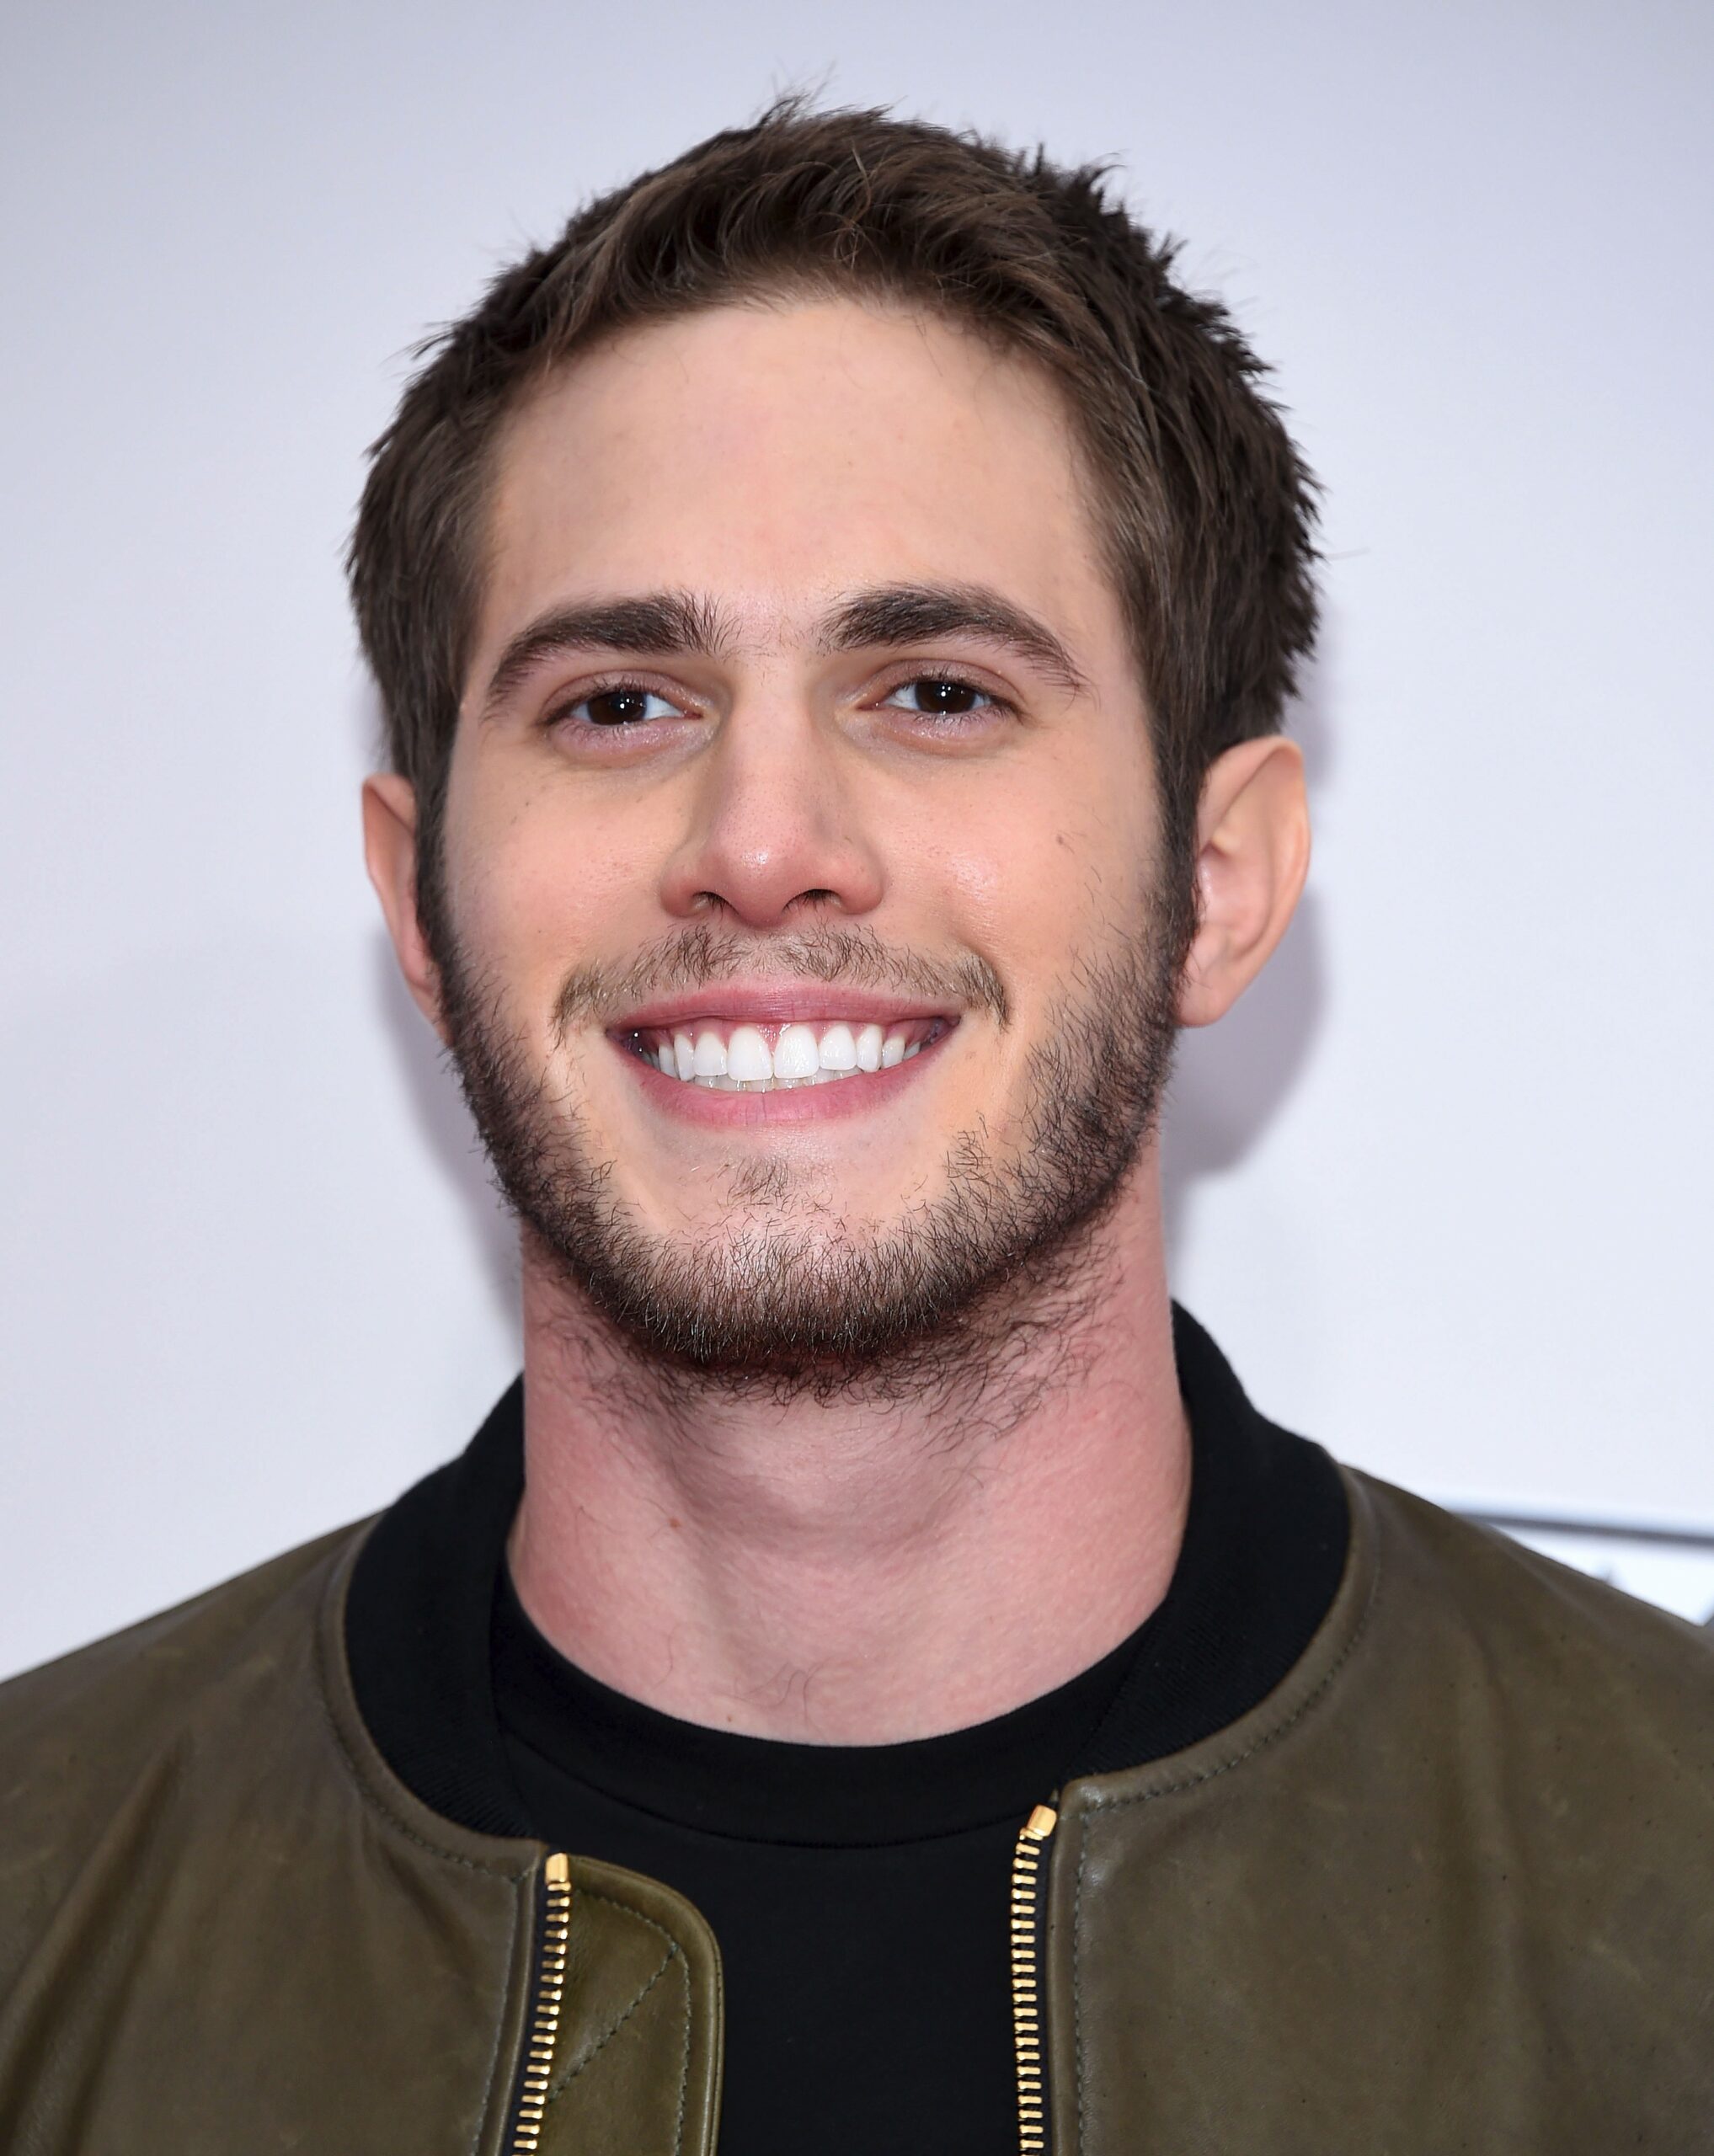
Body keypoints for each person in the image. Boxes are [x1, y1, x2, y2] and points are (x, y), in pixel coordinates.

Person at [2, 100, 1709, 2156]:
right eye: (620, 702)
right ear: (419, 898)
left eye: (937, 690)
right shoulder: (41, 1901)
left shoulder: (1674, 1882)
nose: (762, 845)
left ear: (1221, 880)